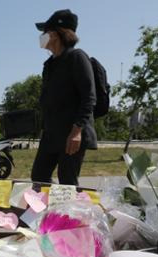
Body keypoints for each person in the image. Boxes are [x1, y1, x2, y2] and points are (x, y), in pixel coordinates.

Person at [31, 9, 97, 186]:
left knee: (67, 181)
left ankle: (69, 213)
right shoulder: (50, 64)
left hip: (71, 133)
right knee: (38, 176)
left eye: (44, 32)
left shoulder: (77, 57)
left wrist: (76, 132)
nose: (42, 37)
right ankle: (45, 213)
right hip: (52, 133)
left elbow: (89, 97)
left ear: (54, 34)